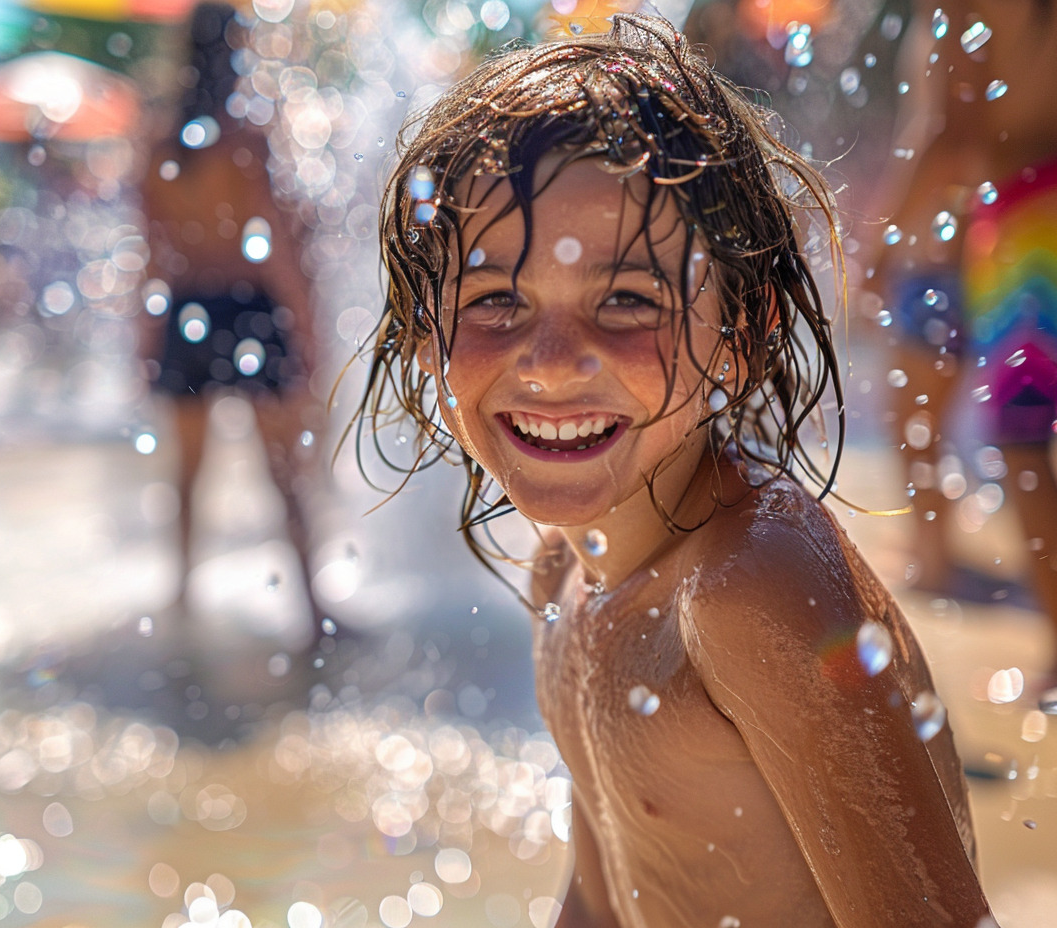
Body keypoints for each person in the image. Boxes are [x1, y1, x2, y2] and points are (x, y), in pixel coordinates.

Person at [358, 14, 993, 924]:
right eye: (497, 298)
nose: (551, 359)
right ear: (427, 336)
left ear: (744, 332)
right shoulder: (562, 574)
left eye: (626, 299)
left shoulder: (749, 593)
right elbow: (602, 897)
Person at [871, 0, 1057, 701]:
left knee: (1016, 441)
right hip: (1036, 214)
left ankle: (939, 562)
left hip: (1004, 226)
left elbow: (950, 132)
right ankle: (932, 558)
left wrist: (881, 241)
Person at [140, 3, 323, 633]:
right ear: (234, 51)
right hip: (248, 309)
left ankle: (181, 602)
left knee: (187, 475)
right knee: (283, 478)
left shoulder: (160, 142)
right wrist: (306, 328)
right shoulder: (244, 138)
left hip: (186, 308)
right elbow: (275, 246)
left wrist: (144, 339)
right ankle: (314, 611)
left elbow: (151, 256)